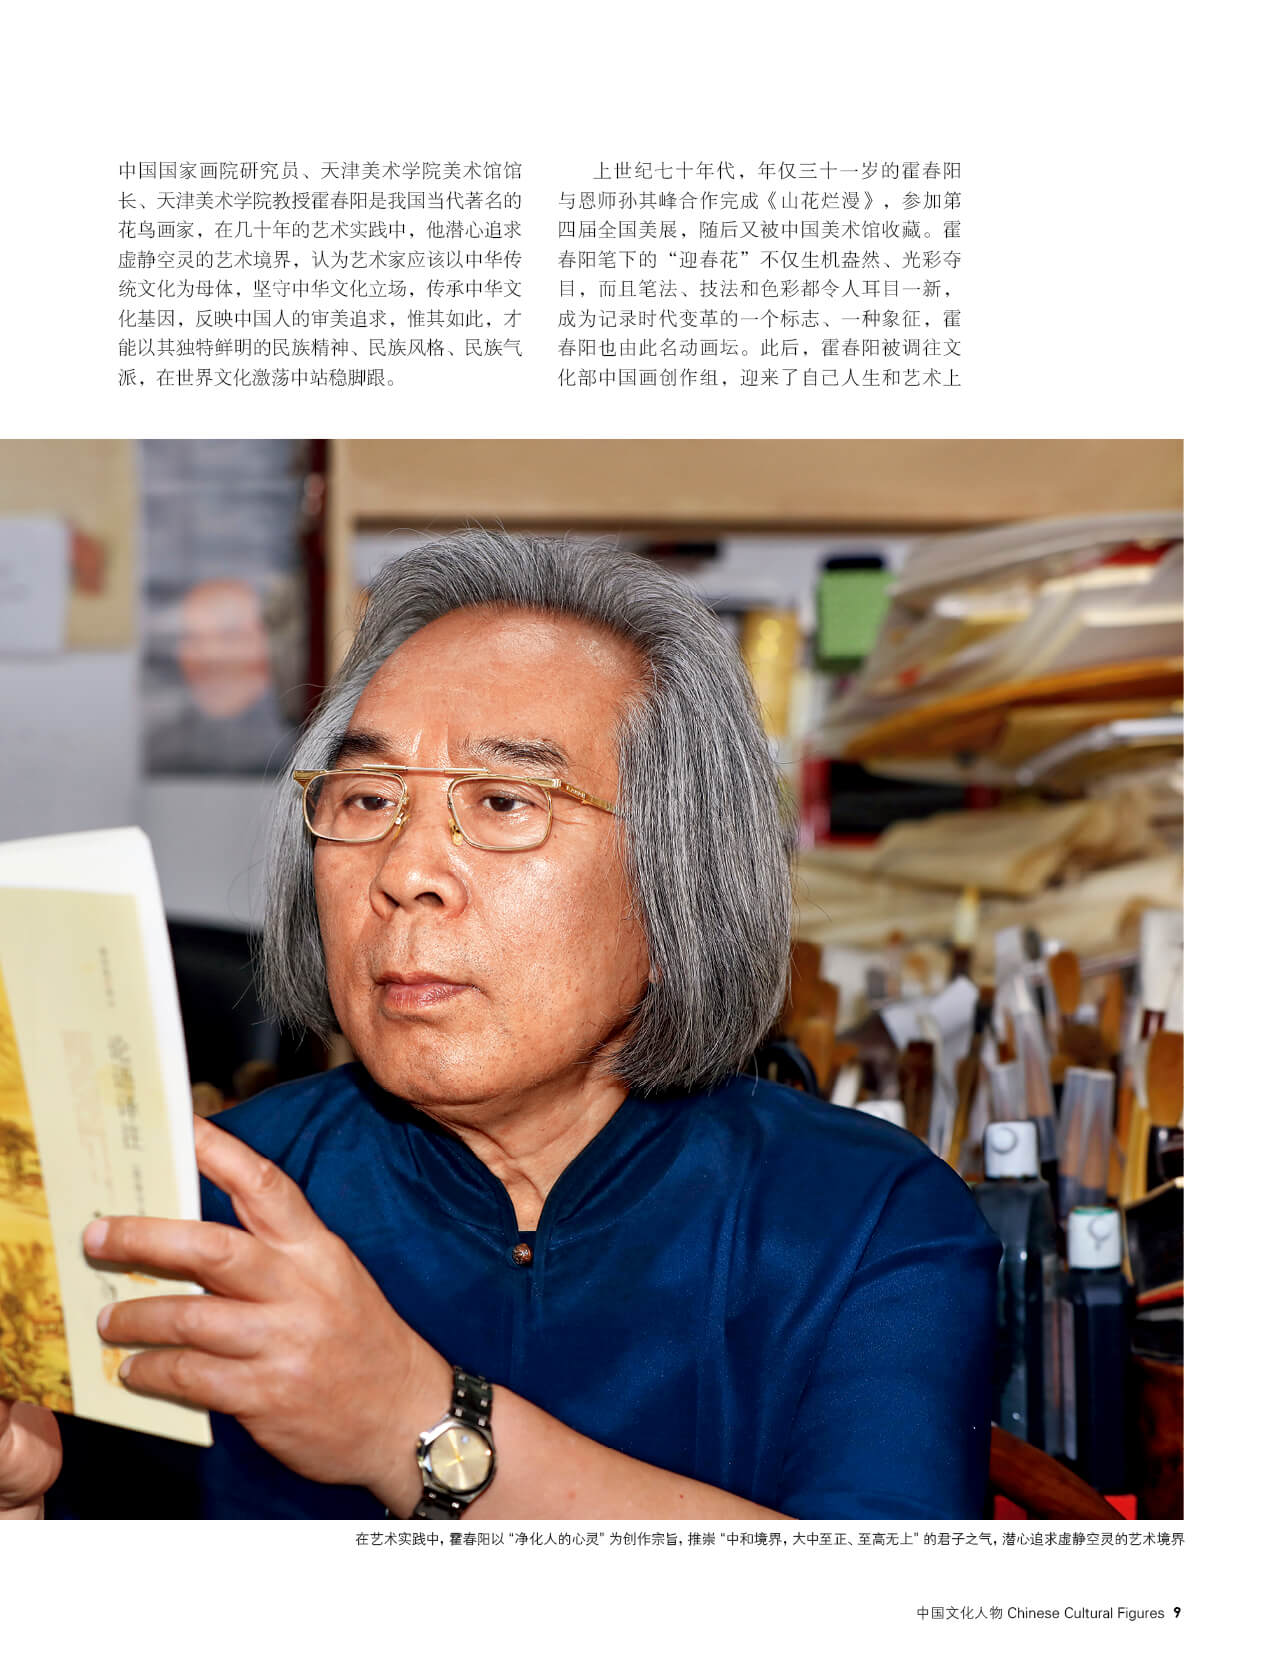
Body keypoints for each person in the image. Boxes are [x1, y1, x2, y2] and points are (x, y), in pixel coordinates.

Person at [1, 531, 999, 1521]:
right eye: (368, 797)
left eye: (505, 802)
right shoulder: (186, 1214)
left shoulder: (862, 1221)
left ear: (677, 883)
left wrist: (411, 1420)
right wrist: (24, 1500)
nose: (405, 872)